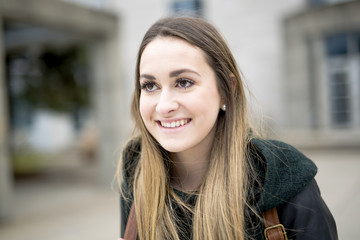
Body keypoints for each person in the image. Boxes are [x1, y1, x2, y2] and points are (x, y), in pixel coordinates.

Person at [117, 16, 337, 240]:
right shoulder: (136, 173)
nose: (164, 106)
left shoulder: (282, 175)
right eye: (150, 85)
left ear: (227, 89)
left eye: (184, 82)